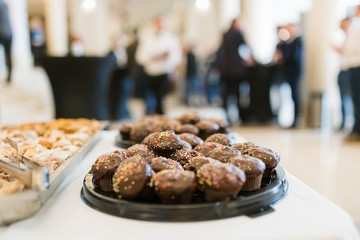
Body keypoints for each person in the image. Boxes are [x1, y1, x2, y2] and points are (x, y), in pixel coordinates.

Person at [135, 17, 182, 115]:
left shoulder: (171, 39)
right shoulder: (147, 39)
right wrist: (153, 58)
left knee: (161, 101)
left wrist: (165, 58)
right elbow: (140, 57)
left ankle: (161, 119)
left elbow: (177, 58)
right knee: (150, 102)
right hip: (150, 74)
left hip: (164, 73)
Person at [218, 17, 248, 123]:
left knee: (227, 93)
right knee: (236, 93)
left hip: (225, 68)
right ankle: (240, 115)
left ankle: (227, 115)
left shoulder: (225, 34)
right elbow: (245, 49)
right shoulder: (238, 34)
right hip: (235, 69)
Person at [343, 5, 360, 141]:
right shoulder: (355, 26)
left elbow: (351, 48)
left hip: (357, 66)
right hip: (353, 66)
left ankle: (357, 130)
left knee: (358, 99)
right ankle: (356, 128)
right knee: (355, 99)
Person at [332, 17, 353, 131]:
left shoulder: (353, 36)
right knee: (342, 97)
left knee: (350, 98)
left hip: (349, 71)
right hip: (342, 70)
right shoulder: (345, 37)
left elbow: (346, 50)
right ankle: (343, 122)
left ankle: (351, 123)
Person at [108, 34, 133, 120]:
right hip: (114, 79)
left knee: (124, 97)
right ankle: (116, 115)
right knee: (115, 98)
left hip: (124, 78)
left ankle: (123, 114)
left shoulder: (126, 52)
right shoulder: (110, 53)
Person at [283, 23, 303, 128]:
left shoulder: (298, 41)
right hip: (290, 72)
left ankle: (296, 119)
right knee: (292, 96)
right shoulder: (290, 41)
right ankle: (294, 119)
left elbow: (294, 57)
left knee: (295, 95)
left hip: (295, 72)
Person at [0, 0, 13, 84]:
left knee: (7, 55)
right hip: (9, 32)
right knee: (8, 55)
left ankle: (9, 76)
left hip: (2, 32)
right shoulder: (4, 4)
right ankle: (10, 76)